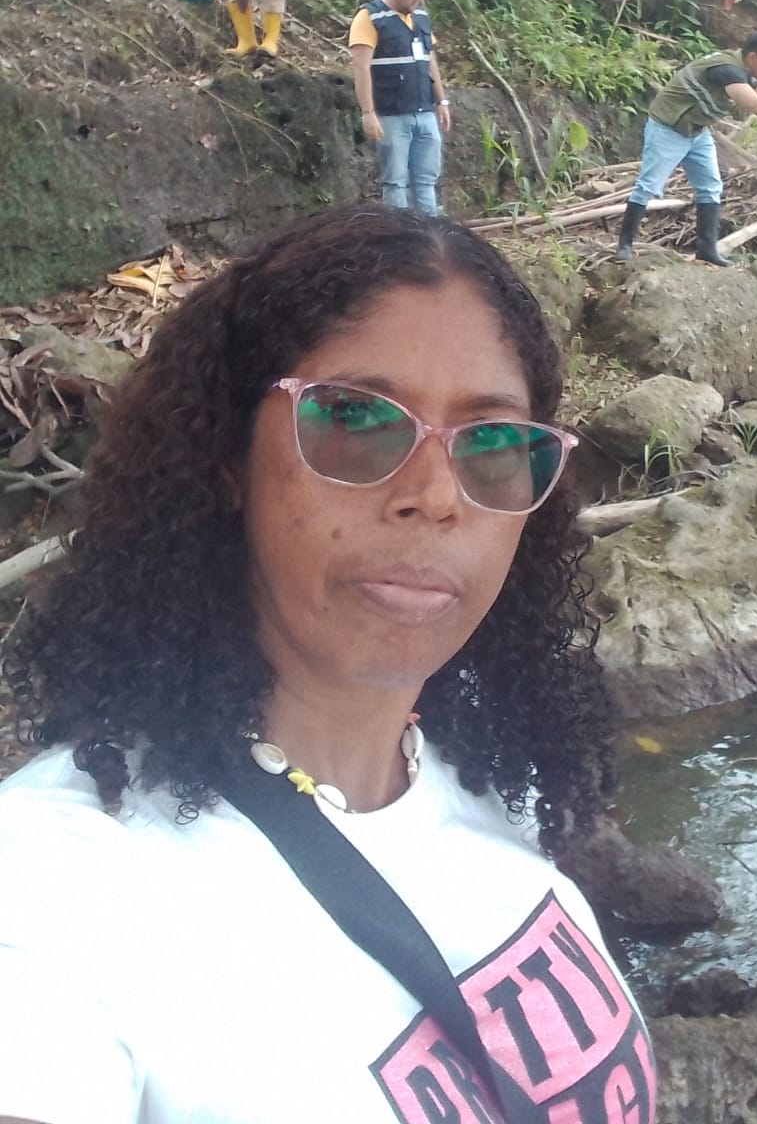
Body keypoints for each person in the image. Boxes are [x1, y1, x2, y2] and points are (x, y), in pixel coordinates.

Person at [0, 206, 655, 1124]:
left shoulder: (491, 787)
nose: (434, 495)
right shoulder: (62, 883)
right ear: (229, 458)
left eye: (493, 443)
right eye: (354, 419)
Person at [616, 31, 757, 266]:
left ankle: (707, 251)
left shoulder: (741, 68)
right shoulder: (727, 70)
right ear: (752, 57)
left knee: (710, 187)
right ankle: (624, 246)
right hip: (668, 129)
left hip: (696, 131)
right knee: (648, 186)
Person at [349, 0, 451, 214]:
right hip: (392, 115)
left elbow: (430, 60)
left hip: (424, 112)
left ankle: (430, 228)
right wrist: (368, 113)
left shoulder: (421, 18)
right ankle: (400, 232)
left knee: (426, 180)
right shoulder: (370, 17)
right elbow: (360, 67)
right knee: (395, 181)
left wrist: (441, 101)